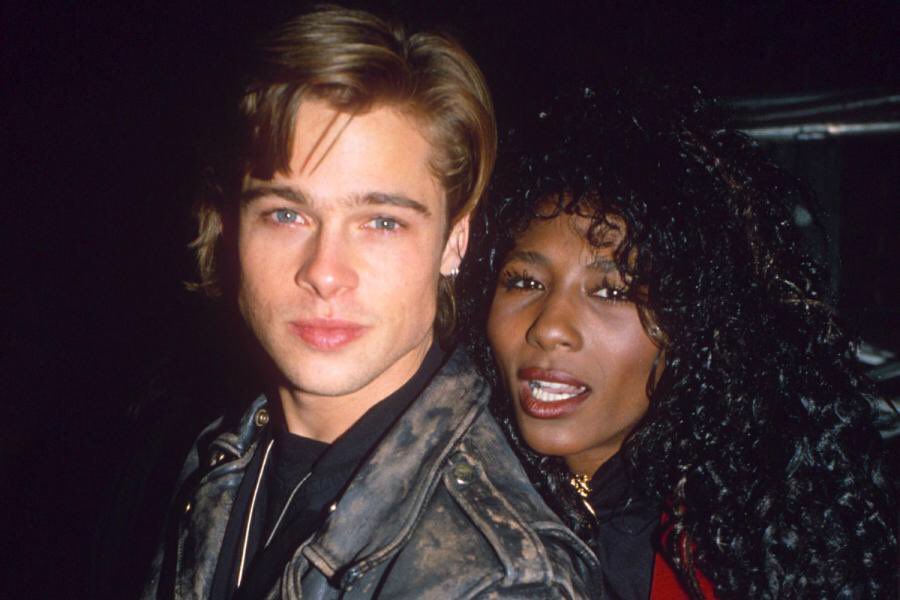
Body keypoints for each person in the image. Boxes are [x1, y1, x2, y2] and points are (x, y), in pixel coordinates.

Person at [141, 7, 600, 599]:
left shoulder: (501, 581)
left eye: (382, 222)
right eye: (286, 214)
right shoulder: (221, 459)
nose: (324, 273)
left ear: (454, 240)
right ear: (231, 227)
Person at [459, 84, 898, 598]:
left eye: (612, 291)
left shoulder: (755, 545)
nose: (549, 327)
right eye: (525, 282)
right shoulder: (451, 505)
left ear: (695, 327)